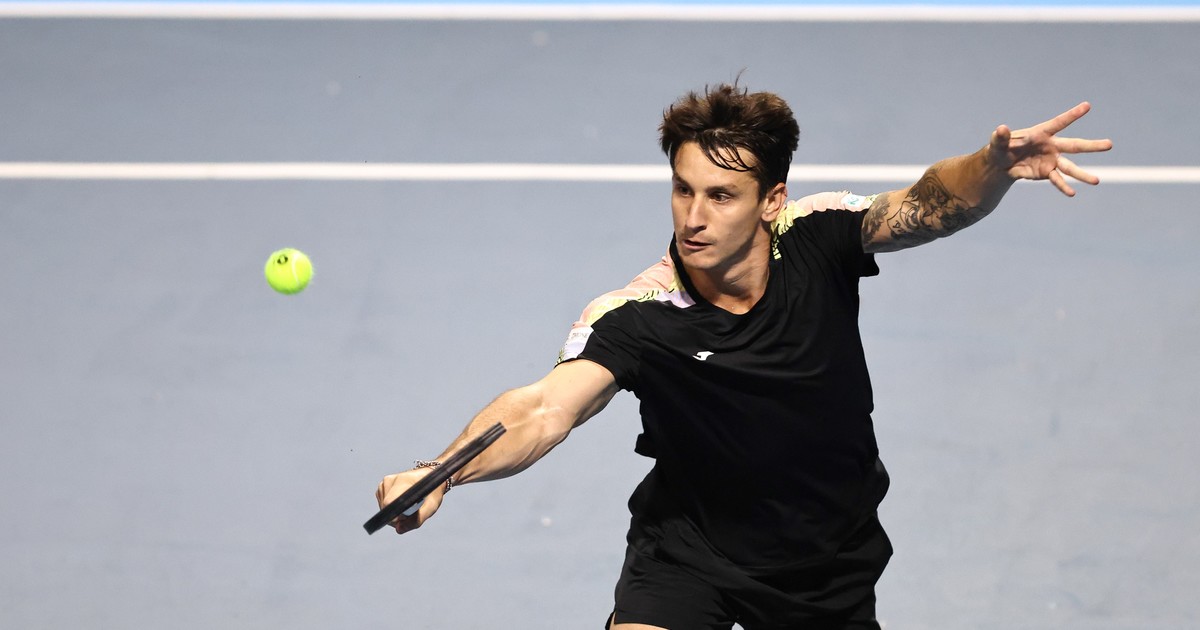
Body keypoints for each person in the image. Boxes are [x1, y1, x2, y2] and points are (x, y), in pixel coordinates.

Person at [374, 83, 1112, 629]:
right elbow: (541, 410)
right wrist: (443, 471)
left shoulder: (820, 237)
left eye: (721, 196)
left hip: (824, 558)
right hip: (689, 549)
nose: (694, 217)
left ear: (771, 200)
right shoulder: (640, 316)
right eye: (683, 190)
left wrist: (992, 166)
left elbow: (927, 206)